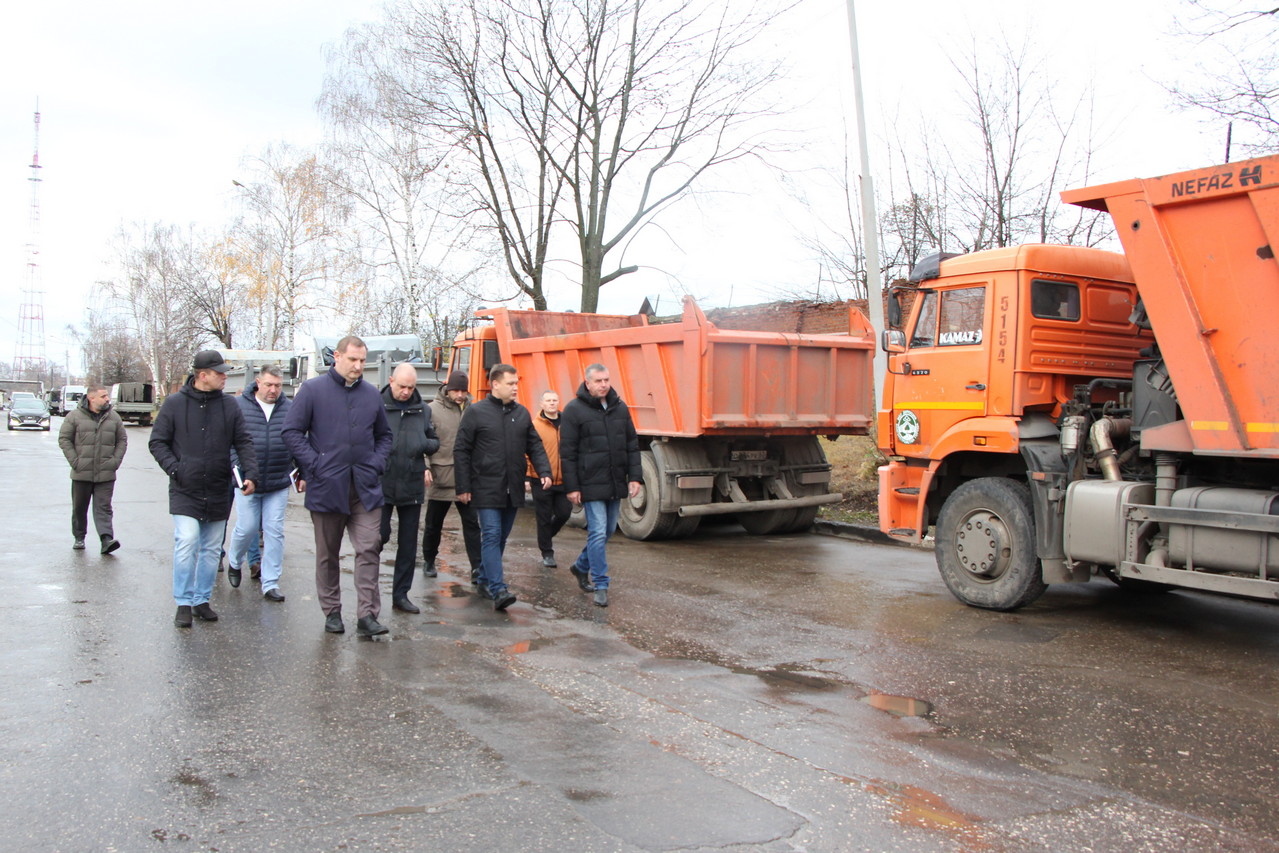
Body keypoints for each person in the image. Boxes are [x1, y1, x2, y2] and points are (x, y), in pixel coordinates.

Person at [282, 336, 393, 637]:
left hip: (365, 488)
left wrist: (376, 463)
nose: (358, 366)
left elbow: (384, 435)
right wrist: (314, 465)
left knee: (369, 547)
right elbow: (291, 431)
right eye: (353, 359)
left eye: (362, 361)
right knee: (328, 553)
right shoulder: (313, 390)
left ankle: (367, 615)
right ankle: (332, 611)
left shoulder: (371, 394)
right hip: (327, 487)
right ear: (337, 357)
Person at [149, 351, 259, 629]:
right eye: (219, 372)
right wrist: (176, 469)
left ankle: (201, 600)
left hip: (218, 486)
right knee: (187, 541)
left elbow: (243, 441)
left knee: (211, 549)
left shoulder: (229, 405)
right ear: (202, 375)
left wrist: (250, 474)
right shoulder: (175, 404)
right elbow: (158, 442)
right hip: (185, 488)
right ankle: (183, 602)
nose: (224, 376)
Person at [454, 364, 552, 612]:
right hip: (485, 486)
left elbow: (534, 445)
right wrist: (463, 485)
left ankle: (484, 578)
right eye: (510, 383)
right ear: (495, 384)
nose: (515, 388)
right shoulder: (476, 412)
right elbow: (461, 450)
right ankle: (498, 589)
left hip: (513, 486)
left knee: (501, 537)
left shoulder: (521, 413)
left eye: (516, 383)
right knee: (491, 533)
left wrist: (544, 471)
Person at [560, 363, 641, 608]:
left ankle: (580, 566)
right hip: (590, 481)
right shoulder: (573, 410)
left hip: (614, 480)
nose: (604, 384)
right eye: (598, 381)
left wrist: (634, 477)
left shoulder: (619, 407)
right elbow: (568, 453)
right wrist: (572, 487)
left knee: (607, 531)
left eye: (606, 380)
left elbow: (631, 444)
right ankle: (601, 584)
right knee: (597, 531)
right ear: (587, 383)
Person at [227, 365, 300, 603]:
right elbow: (230, 442)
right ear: (258, 382)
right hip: (248, 481)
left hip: (278, 481)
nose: (273, 390)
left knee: (274, 531)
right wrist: (239, 471)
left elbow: (298, 440)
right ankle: (234, 561)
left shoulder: (290, 408)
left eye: (278, 385)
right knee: (247, 527)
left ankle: (270, 583)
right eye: (269, 384)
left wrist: (302, 472)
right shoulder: (239, 406)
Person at [379, 363, 440, 614]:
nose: (406, 392)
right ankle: (368, 591)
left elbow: (434, 441)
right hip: (382, 481)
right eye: (402, 386)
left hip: (412, 483)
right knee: (378, 536)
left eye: (411, 388)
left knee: (407, 544)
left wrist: (423, 444)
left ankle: (401, 595)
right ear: (391, 381)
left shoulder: (423, 410)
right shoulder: (377, 406)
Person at [422, 371, 483, 585]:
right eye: (455, 390)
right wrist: (425, 466)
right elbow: (423, 441)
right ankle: (429, 560)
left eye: (463, 391)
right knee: (433, 524)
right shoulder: (431, 410)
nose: (459, 395)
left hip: (466, 478)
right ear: (447, 390)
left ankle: (477, 567)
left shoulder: (473, 410)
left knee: (472, 524)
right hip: (441, 476)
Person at [58, 384, 127, 554]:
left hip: (106, 473)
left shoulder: (114, 417)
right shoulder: (74, 416)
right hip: (81, 473)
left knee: (104, 508)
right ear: (91, 398)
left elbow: (122, 440)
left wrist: (114, 462)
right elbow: (64, 439)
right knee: (79, 508)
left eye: (107, 396)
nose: (107, 399)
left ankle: (106, 539)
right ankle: (79, 537)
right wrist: (76, 462)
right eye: (103, 396)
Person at [526, 390, 572, 569]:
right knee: (543, 517)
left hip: (563, 480)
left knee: (564, 513)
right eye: (548, 400)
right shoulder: (535, 425)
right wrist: (527, 476)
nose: (552, 403)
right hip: (541, 479)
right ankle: (547, 553)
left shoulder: (567, 424)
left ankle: (545, 536)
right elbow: (527, 452)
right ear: (541, 404)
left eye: (554, 400)